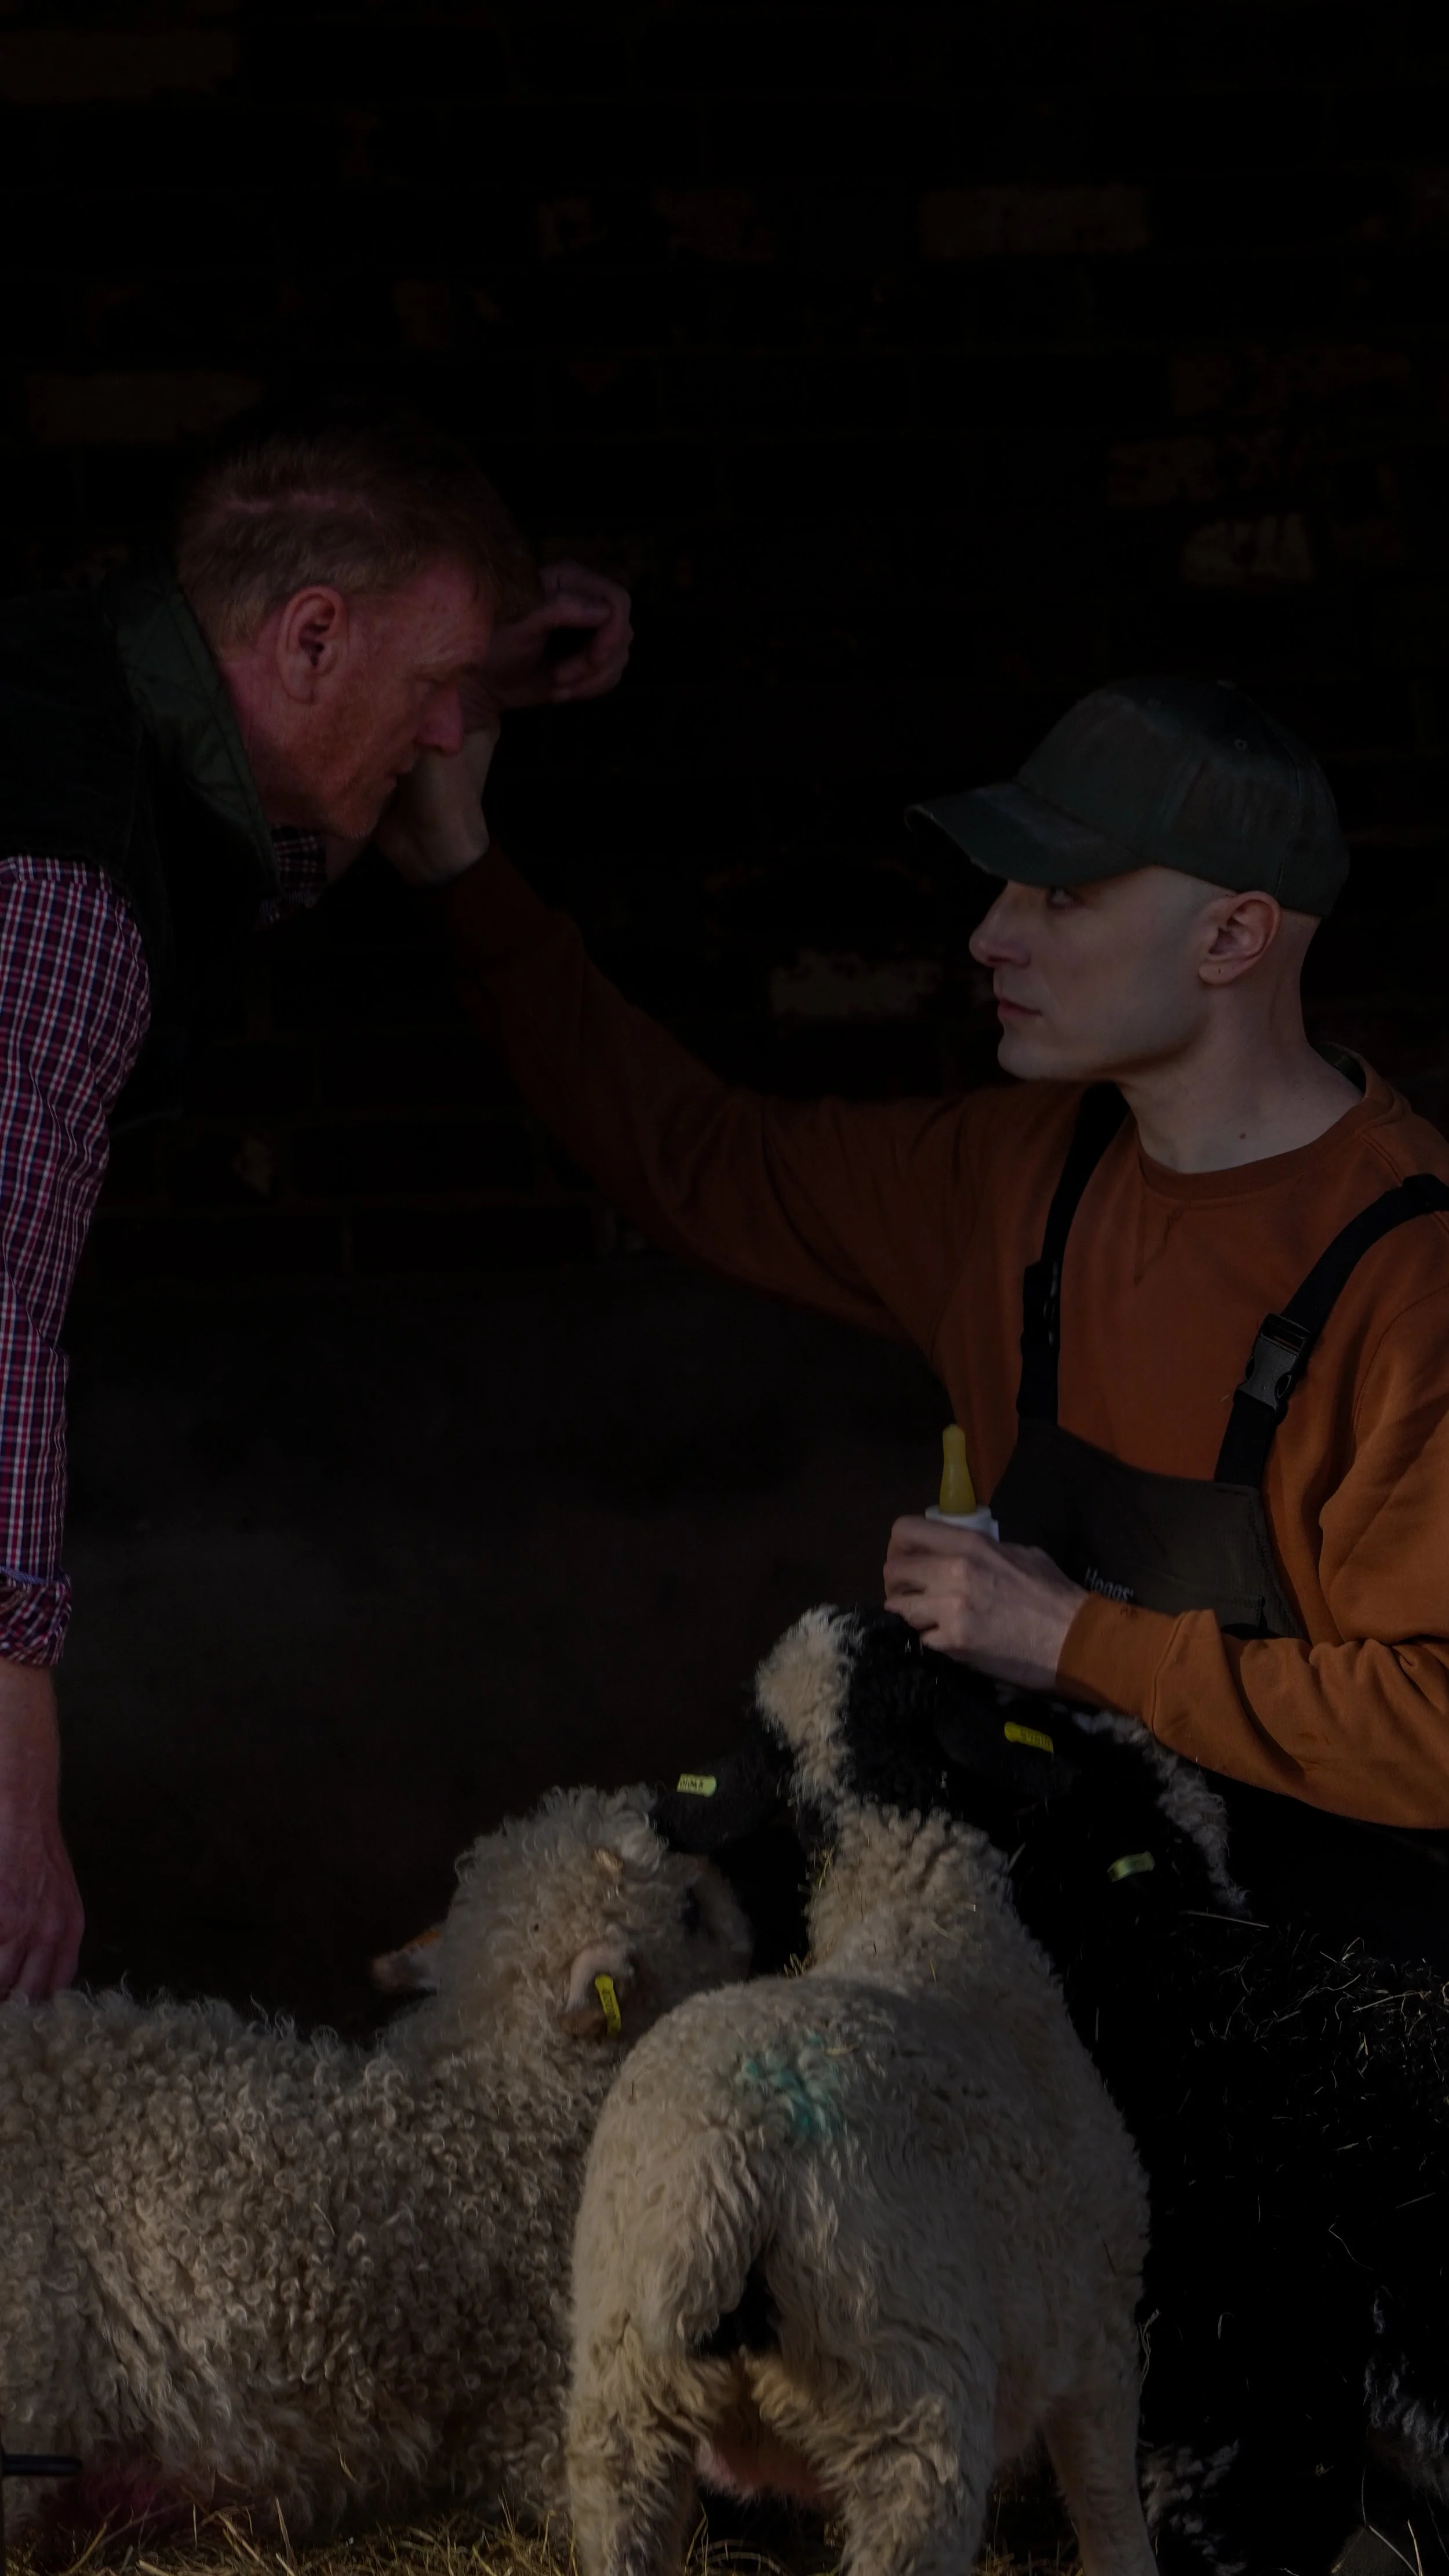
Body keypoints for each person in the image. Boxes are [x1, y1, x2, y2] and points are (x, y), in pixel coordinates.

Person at [383, 674, 1449, 1946]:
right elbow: (698, 1161)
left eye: (1059, 895)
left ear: (1230, 940)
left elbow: (1431, 1726)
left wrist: (1073, 1639)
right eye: (1003, 887)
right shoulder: (1011, 1174)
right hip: (1072, 1959)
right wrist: (464, 871)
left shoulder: (1403, 1274)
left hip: (1338, 2012)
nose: (990, 935)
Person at [0, 416, 634, 2001]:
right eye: (431, 698)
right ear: (308, 637)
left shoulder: (100, 688)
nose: (447, 743)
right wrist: (11, 1775)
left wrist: (483, 662)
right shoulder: (59, 877)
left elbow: (270, 835)